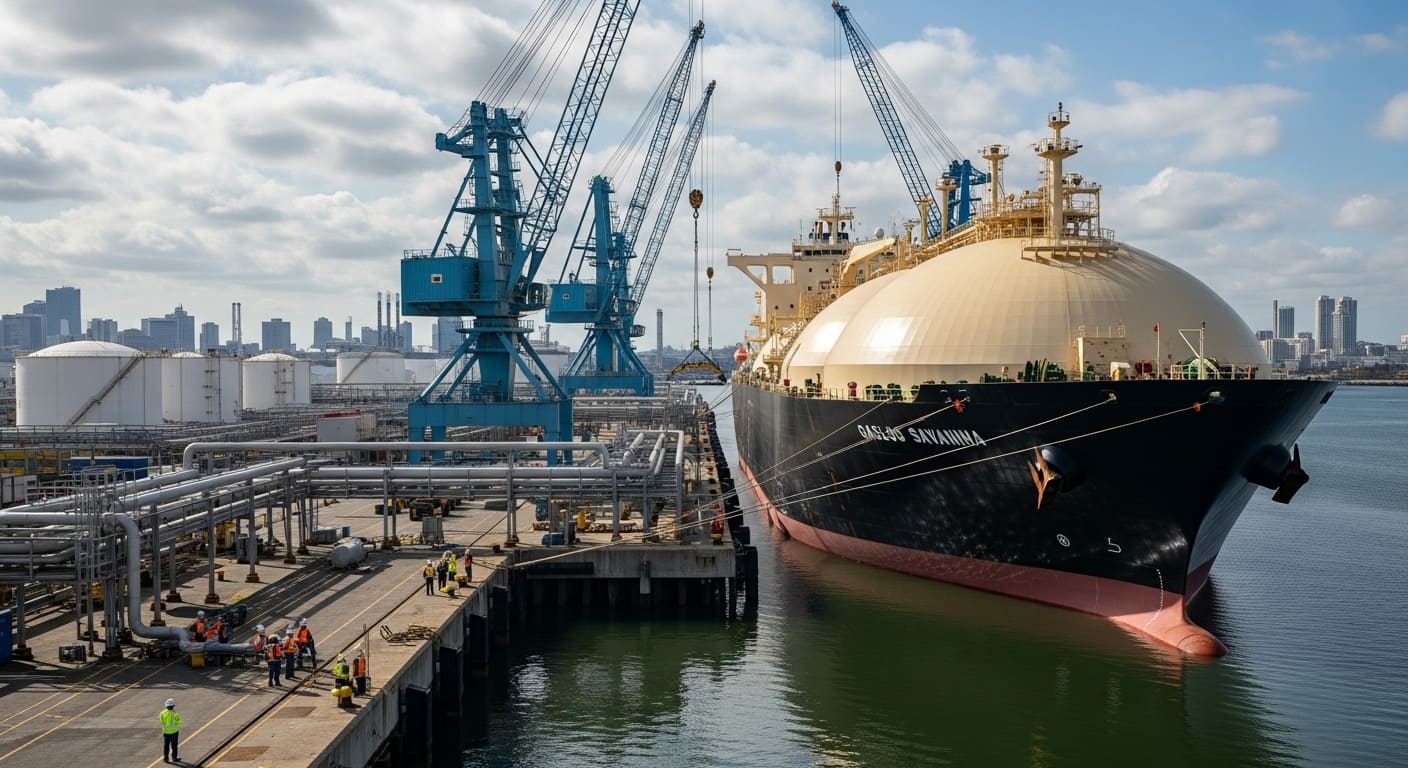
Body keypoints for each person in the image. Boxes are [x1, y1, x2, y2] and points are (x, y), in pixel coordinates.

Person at [160, 697, 181, 763]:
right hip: (174, 732)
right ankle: (174, 758)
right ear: (173, 706)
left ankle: (166, 758)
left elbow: (161, 721)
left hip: (166, 732)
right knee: (174, 746)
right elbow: (179, 721)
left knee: (166, 746)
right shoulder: (175, 713)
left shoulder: (162, 713)